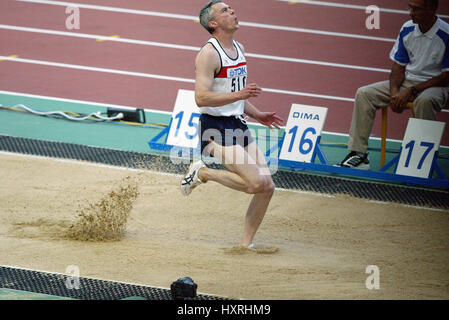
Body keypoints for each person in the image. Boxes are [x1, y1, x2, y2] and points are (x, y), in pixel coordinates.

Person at [180, 0, 285, 248]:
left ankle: (245, 245)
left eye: (231, 8)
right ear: (213, 23)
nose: (232, 11)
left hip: (237, 124)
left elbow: (235, 95)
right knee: (256, 182)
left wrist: (258, 114)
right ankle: (202, 172)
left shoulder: (239, 47)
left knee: (267, 186)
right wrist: (240, 96)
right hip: (214, 128)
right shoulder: (208, 54)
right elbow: (201, 98)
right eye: (225, 10)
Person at [337, 0, 449, 169]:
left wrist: (411, 91)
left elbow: (446, 77)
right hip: (408, 83)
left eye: (416, 9)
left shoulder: (445, 34)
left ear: (432, 8)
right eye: (409, 7)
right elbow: (398, 67)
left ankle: (422, 162)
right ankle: (358, 154)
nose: (411, 12)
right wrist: (395, 92)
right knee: (364, 94)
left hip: (436, 86)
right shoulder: (407, 28)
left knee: (424, 102)